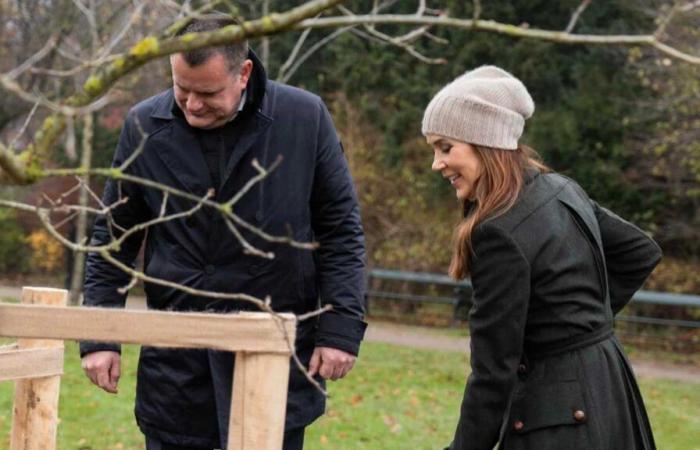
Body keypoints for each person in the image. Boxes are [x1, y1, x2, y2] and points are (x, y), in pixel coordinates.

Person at [80, 17, 367, 450]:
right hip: (177, 369)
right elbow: (113, 238)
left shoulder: (304, 118)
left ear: (244, 73)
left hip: (273, 360)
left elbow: (341, 229)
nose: (192, 105)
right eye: (182, 88)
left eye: (208, 93)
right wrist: (99, 337)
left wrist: (340, 328)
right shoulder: (144, 128)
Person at [422, 65, 661, 450]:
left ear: (484, 141)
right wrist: (582, 328)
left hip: (558, 419)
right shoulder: (561, 188)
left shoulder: (497, 231)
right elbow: (640, 251)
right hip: (608, 383)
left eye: (445, 147)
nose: (437, 163)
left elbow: (492, 373)